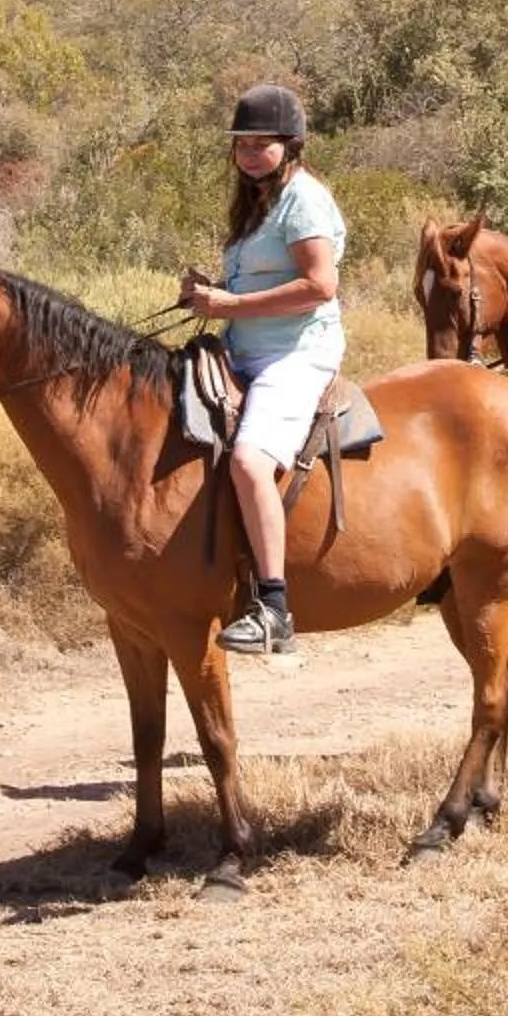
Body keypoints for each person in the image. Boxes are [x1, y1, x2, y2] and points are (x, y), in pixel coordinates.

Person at [179, 84, 346, 659]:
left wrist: (227, 305)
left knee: (250, 461)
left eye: (262, 144)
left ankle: (273, 607)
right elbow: (262, 283)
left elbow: (320, 286)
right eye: (242, 144)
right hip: (244, 347)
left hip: (296, 352)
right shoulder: (256, 203)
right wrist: (214, 292)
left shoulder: (305, 199)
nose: (249, 154)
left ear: (290, 145)